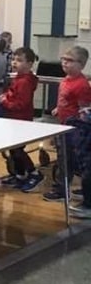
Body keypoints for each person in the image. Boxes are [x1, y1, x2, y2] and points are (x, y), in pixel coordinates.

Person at [43, 45, 91, 203]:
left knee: (67, 159)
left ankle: (62, 189)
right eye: (63, 59)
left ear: (81, 64)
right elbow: (66, 100)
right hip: (62, 124)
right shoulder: (66, 80)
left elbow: (84, 109)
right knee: (63, 157)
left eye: (69, 61)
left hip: (74, 129)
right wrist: (58, 108)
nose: (64, 63)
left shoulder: (81, 85)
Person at [0, 47, 42, 192]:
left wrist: (5, 102)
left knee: (18, 150)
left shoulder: (25, 82)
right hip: (13, 119)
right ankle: (20, 174)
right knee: (13, 149)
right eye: (14, 59)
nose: (15, 63)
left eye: (19, 60)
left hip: (20, 120)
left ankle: (34, 173)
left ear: (30, 63)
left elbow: (21, 104)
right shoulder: (18, 78)